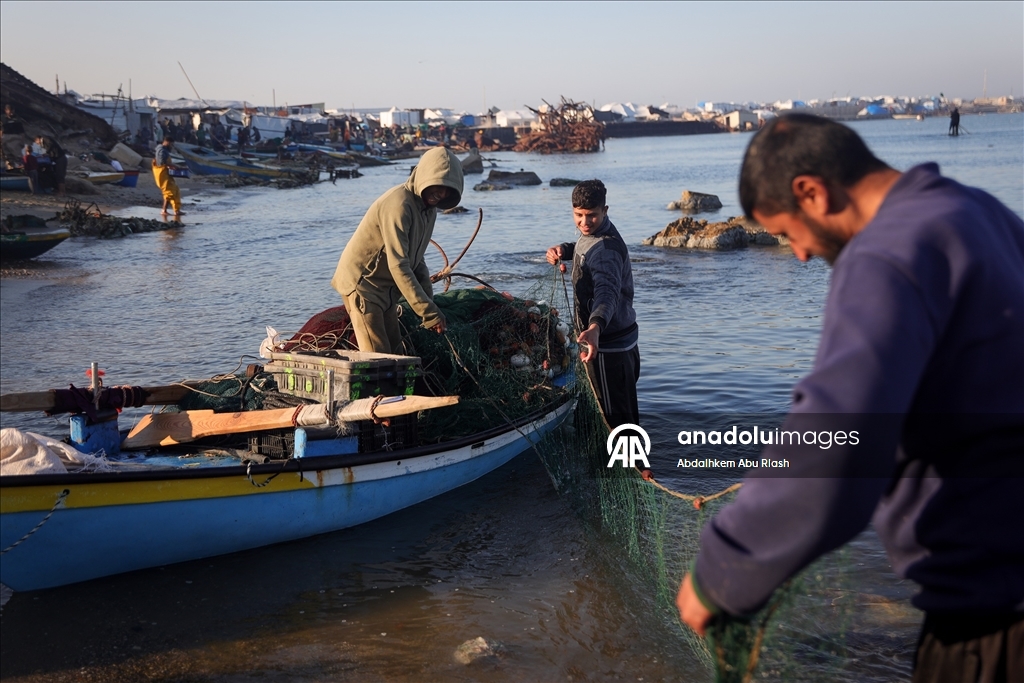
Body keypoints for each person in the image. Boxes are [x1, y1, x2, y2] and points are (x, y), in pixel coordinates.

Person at [676, 114, 1023, 682]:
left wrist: (722, 571)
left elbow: (840, 441)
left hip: (995, 619)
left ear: (811, 191)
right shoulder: (980, 211)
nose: (801, 255)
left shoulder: (885, 255)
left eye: (788, 233)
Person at [545, 181, 647, 473]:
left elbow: (607, 292)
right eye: (578, 215)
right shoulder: (594, 237)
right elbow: (582, 246)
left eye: (592, 215)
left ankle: (635, 475)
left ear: (605, 210)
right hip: (615, 341)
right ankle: (622, 467)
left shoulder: (606, 249)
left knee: (617, 420)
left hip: (608, 346)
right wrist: (563, 250)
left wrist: (595, 326)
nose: (584, 222)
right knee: (619, 413)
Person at [330, 146, 463, 354]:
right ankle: (381, 387)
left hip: (387, 289)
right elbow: (399, 264)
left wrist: (429, 300)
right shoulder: (399, 205)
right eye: (436, 188)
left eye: (445, 192)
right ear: (423, 176)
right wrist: (427, 312)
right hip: (364, 284)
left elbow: (417, 259)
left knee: (397, 354)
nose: (439, 195)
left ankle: (398, 387)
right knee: (378, 357)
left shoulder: (429, 211)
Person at [152, 135, 183, 217]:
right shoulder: (161, 150)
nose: (172, 146)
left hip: (166, 173)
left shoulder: (164, 149)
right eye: (171, 144)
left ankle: (177, 210)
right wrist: (174, 165)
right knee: (169, 192)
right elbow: (162, 162)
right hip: (161, 174)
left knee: (176, 190)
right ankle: (164, 210)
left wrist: (170, 166)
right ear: (168, 142)